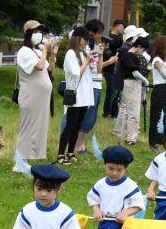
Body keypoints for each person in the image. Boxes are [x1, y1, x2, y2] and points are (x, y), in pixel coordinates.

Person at [15, 20, 57, 170]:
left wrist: (52, 54)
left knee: (37, 127)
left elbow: (49, 69)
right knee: (28, 127)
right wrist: (46, 49)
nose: (38, 34)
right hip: (30, 96)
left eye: (40, 31)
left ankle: (27, 158)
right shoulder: (24, 52)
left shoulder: (37, 51)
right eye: (35, 31)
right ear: (27, 34)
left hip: (41, 98)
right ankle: (19, 161)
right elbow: (39, 67)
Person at [57, 27, 95, 163]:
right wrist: (86, 61)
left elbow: (95, 69)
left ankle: (71, 152)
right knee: (70, 126)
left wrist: (96, 56)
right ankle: (61, 154)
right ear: (78, 38)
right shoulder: (70, 54)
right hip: (75, 95)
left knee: (78, 125)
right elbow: (75, 72)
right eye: (85, 39)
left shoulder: (84, 52)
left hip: (85, 95)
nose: (86, 42)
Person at [74, 18, 108, 154]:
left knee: (91, 118)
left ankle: (81, 145)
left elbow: (98, 69)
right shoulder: (85, 48)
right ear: (90, 32)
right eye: (98, 32)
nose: (99, 36)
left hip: (97, 84)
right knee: (85, 116)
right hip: (89, 85)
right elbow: (89, 67)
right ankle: (77, 145)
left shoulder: (94, 47)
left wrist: (101, 54)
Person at [113, 33, 148, 146]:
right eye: (142, 50)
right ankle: (131, 139)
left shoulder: (128, 55)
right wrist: (145, 80)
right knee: (133, 112)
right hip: (132, 83)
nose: (142, 53)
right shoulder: (130, 56)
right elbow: (135, 72)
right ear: (139, 47)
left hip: (130, 84)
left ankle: (126, 135)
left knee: (128, 112)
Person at [147, 35, 166, 149]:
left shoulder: (165, 60)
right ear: (162, 46)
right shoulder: (157, 60)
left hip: (164, 88)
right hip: (159, 89)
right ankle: (153, 143)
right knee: (157, 115)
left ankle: (159, 141)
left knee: (162, 116)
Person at [101, 20, 125, 119]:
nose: (123, 29)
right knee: (111, 90)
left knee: (116, 91)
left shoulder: (120, 38)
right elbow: (115, 45)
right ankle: (107, 112)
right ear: (117, 26)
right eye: (122, 27)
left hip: (116, 66)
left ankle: (114, 113)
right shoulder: (110, 37)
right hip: (108, 66)